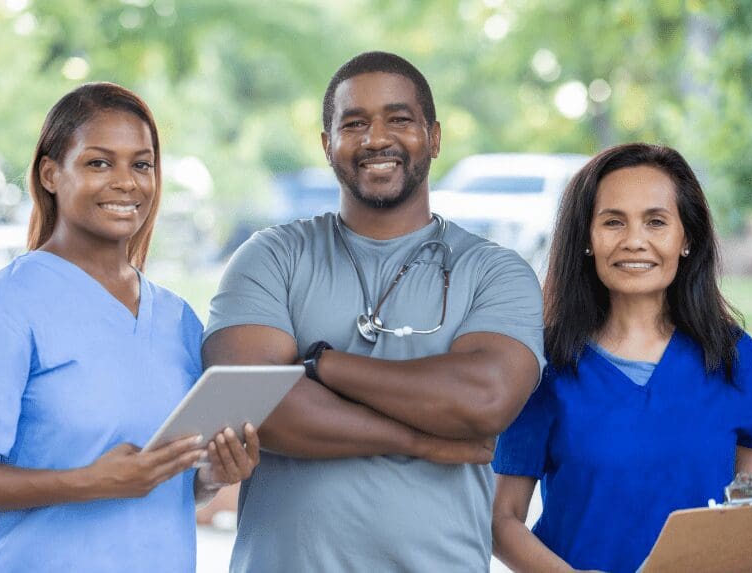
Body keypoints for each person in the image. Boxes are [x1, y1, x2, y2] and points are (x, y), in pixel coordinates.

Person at [202, 51, 544, 572]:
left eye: (398, 120)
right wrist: (419, 438)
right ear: (327, 145)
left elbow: (483, 399)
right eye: (354, 123)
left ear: (433, 136)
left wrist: (322, 366)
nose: (376, 138)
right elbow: (249, 404)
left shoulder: (495, 272)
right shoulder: (270, 257)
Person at [0, 82, 260, 573]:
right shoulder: (2, 307)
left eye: (141, 165)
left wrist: (213, 475)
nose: (127, 182)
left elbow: (167, 487)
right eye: (99, 163)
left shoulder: (177, 319)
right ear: (51, 173)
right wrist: (91, 481)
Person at [492, 143, 752, 573]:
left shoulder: (736, 358)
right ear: (587, 238)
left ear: (687, 239)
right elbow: (502, 520)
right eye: (613, 222)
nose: (635, 241)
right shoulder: (543, 365)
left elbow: (748, 513)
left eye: (656, 222)